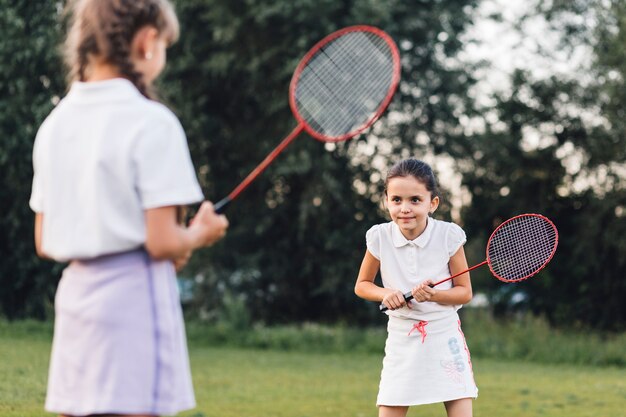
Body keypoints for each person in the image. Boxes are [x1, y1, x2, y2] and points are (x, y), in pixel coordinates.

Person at [29, 0, 229, 416]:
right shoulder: (152, 122)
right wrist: (197, 234)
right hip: (132, 303)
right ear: (147, 40)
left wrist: (171, 246)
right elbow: (161, 242)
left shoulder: (54, 125)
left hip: (76, 301)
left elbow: (44, 240)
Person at [354, 158, 478, 417]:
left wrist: (435, 295)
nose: (405, 208)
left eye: (415, 200)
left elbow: (464, 293)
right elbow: (362, 285)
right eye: (396, 200)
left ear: (432, 203)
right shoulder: (379, 236)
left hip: (444, 335)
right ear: (386, 200)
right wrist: (386, 293)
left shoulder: (448, 235)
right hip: (402, 336)